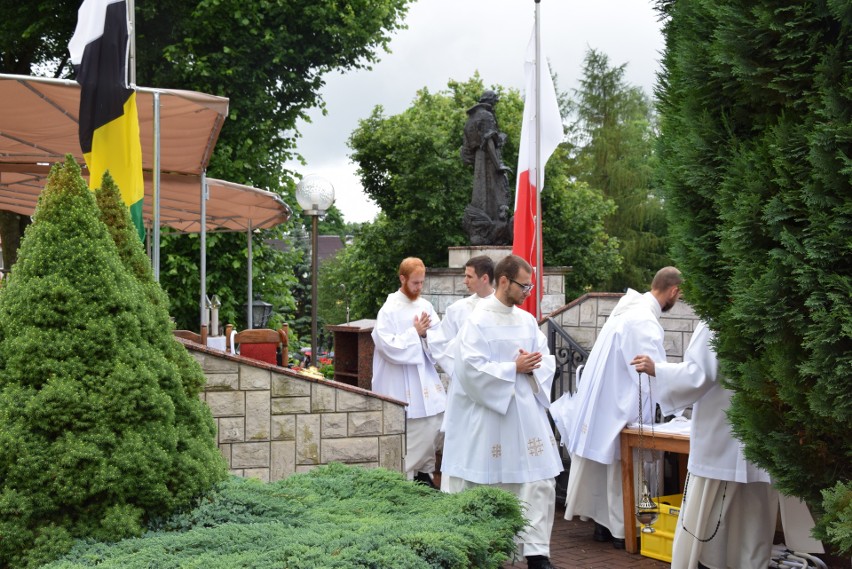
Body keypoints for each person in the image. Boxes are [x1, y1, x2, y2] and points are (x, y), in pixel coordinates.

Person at [631, 321, 824, 569]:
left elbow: (699, 374)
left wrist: (658, 369)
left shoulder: (716, 318)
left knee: (709, 518)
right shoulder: (772, 314)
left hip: (723, 436)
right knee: (754, 517)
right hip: (761, 433)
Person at [442, 254, 562, 569]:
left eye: (531, 286)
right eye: (524, 285)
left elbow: (545, 357)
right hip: (491, 416)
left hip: (526, 416)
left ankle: (537, 553)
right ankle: (490, 550)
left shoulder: (525, 320)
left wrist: (534, 364)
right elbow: (469, 369)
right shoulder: (477, 320)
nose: (528, 292)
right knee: (491, 484)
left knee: (538, 482)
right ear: (504, 280)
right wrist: (513, 367)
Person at [555, 266, 682, 549]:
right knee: (625, 469)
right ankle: (623, 530)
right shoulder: (644, 321)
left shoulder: (627, 311)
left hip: (606, 403)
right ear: (673, 291)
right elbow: (650, 370)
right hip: (624, 406)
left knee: (608, 468)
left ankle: (604, 525)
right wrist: (676, 399)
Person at [371, 257, 446, 488]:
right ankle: (404, 478)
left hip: (423, 376)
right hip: (398, 380)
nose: (419, 288)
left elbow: (439, 339)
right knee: (411, 429)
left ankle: (424, 473)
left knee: (434, 423)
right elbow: (385, 345)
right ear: (402, 278)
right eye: (415, 283)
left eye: (422, 282)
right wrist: (414, 333)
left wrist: (424, 335)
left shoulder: (426, 306)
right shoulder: (389, 309)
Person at [427, 255, 495, 378]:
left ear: (484, 278)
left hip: (497, 380)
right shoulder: (457, 309)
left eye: (469, 276)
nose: (465, 281)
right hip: (465, 381)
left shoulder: (505, 309)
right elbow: (441, 343)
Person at [461, 90, 513, 245]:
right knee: (496, 194)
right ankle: (493, 231)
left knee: (480, 195)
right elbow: (489, 140)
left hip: (479, 162)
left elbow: (465, 152)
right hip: (489, 161)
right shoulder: (487, 116)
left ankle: (483, 230)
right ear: (491, 102)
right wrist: (499, 165)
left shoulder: (470, 120)